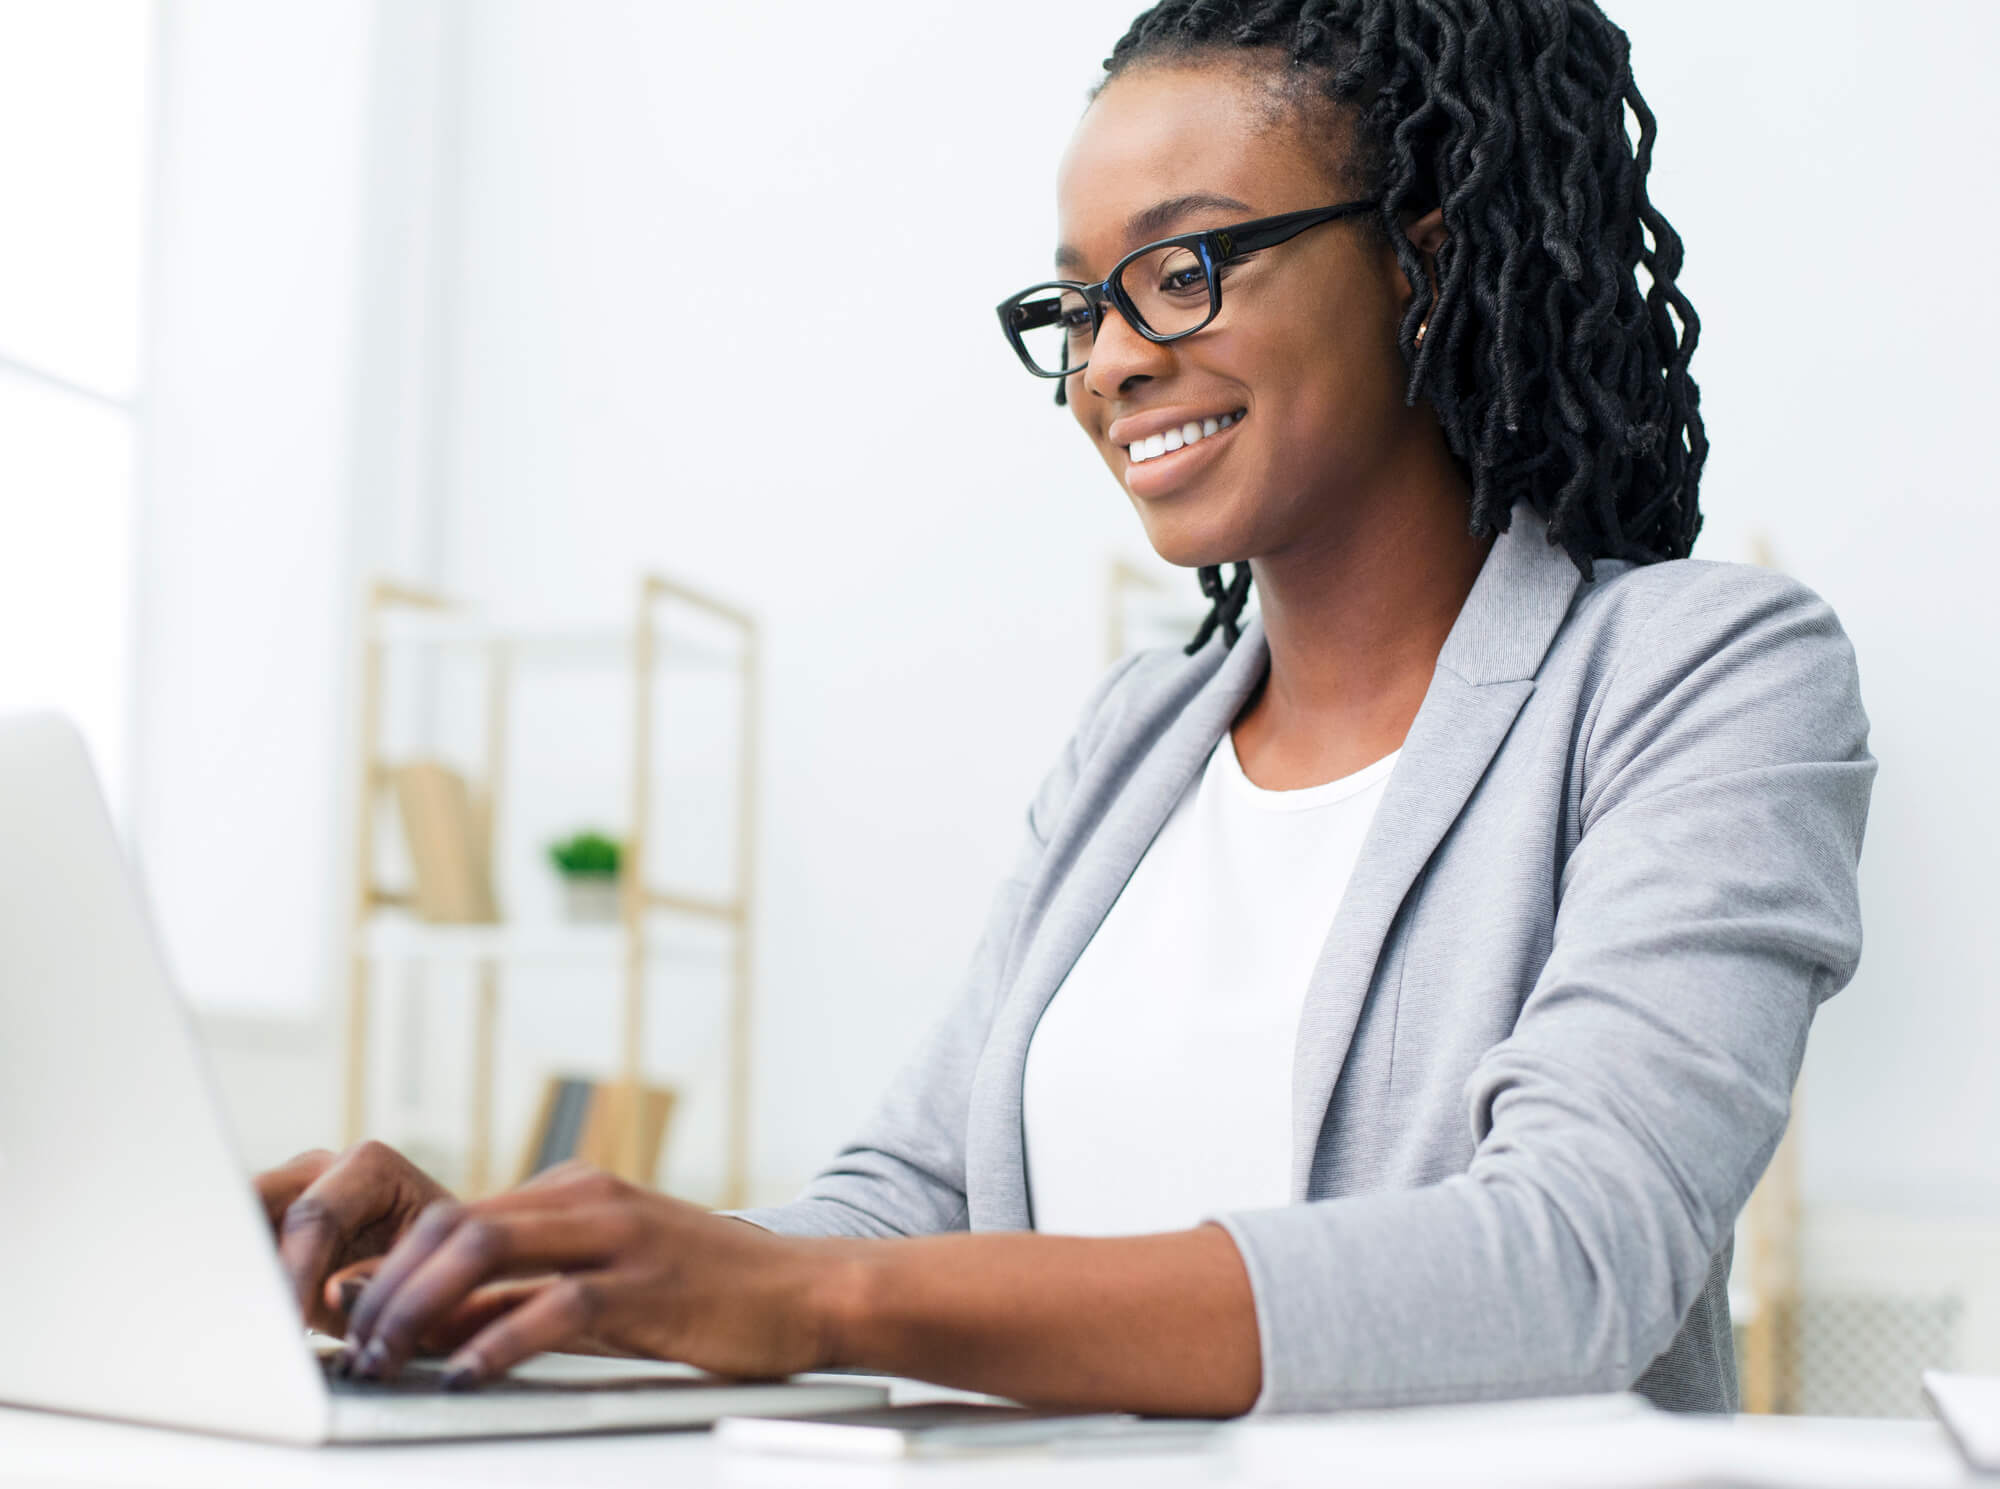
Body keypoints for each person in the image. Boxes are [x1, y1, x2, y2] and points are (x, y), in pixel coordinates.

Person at [257, 0, 1874, 1417]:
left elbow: (1572, 1262)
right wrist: (527, 1278)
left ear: (1421, 260)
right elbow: (904, 1203)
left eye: (1179, 270)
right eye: (1080, 305)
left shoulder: (1700, 677)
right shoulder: (1132, 748)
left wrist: (817, 1307)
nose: (1107, 361)